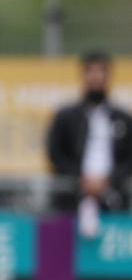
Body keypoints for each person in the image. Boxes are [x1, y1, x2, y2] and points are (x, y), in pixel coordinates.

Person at [47, 50, 132, 237]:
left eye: (101, 71)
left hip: (115, 197)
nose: (95, 78)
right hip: (72, 196)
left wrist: (109, 180)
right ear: (83, 76)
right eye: (90, 72)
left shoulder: (123, 118)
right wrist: (81, 178)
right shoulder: (66, 117)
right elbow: (55, 153)